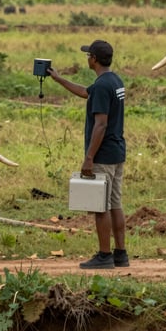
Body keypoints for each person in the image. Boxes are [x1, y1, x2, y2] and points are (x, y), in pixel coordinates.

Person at [48, 40, 128, 269]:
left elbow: (100, 124)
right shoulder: (113, 81)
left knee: (100, 206)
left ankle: (104, 255)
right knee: (115, 204)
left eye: (88, 55)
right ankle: (120, 253)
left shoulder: (103, 86)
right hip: (117, 152)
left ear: (94, 58)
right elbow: (86, 92)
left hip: (102, 154)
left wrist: (89, 157)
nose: (87, 59)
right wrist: (58, 78)